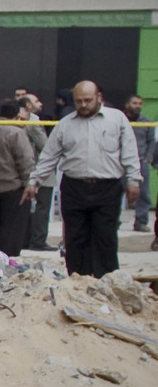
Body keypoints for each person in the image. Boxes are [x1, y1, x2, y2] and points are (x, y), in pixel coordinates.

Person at [26, 80, 139, 279]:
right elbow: (49, 156)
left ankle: (106, 282)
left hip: (107, 189)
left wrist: (133, 181)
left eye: (88, 100)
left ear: (99, 98)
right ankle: (78, 281)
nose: (83, 105)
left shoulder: (117, 119)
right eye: (79, 101)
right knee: (75, 238)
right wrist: (34, 181)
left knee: (105, 237)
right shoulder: (65, 125)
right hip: (74, 188)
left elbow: (130, 152)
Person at [0, 100, 36, 256]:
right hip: (12, 188)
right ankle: (7, 259)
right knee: (11, 230)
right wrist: (29, 183)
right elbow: (25, 161)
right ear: (17, 116)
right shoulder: (16, 132)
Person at [16, 88, 54, 250]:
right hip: (40, 170)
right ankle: (38, 240)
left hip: (25, 170)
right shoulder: (33, 121)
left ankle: (26, 239)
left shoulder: (17, 120)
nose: (41, 104)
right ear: (29, 106)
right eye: (36, 101)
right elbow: (45, 146)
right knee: (42, 207)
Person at [130, 94, 155, 233]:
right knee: (115, 193)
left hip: (141, 162)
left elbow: (151, 141)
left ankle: (141, 222)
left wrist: (148, 157)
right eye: (134, 103)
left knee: (144, 194)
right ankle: (113, 223)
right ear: (128, 104)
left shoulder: (146, 121)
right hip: (121, 163)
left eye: (140, 104)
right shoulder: (120, 120)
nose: (137, 106)